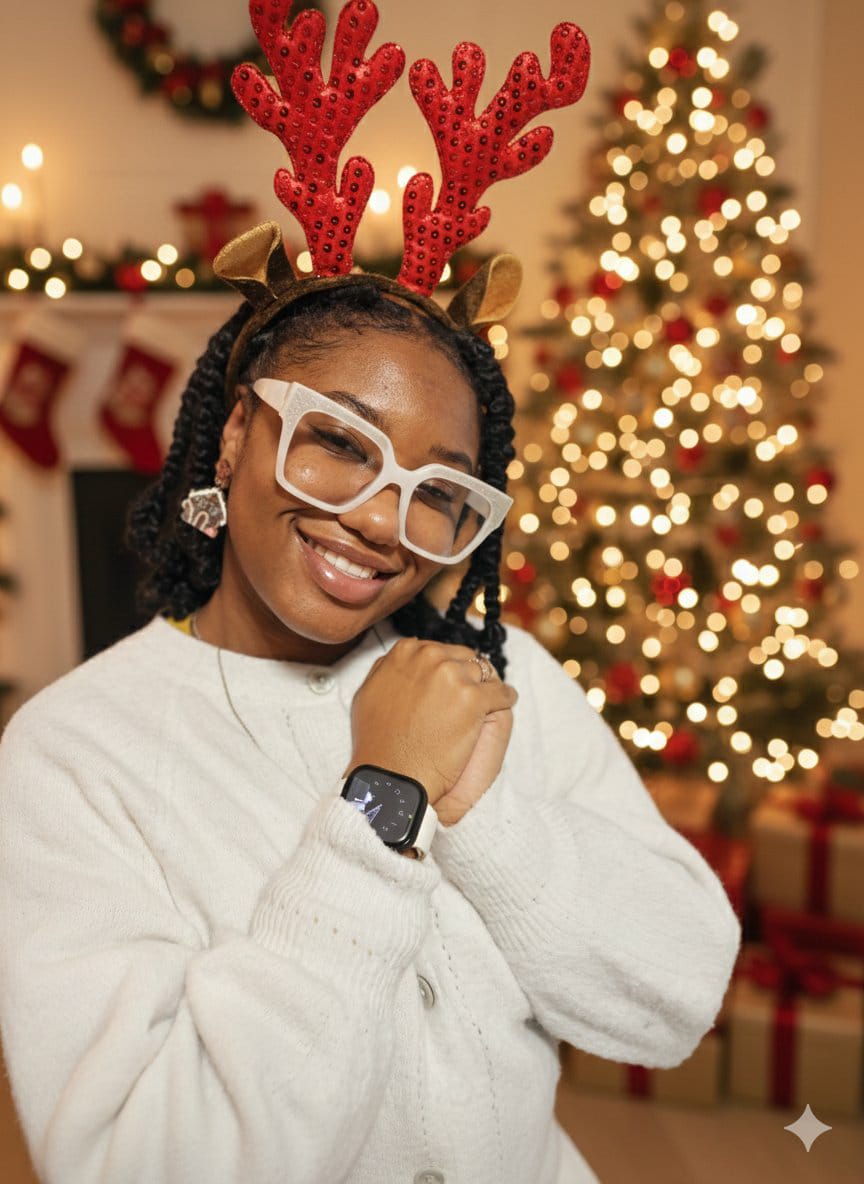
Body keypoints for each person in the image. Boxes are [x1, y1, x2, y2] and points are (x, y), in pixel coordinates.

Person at [0, 269, 742, 1184]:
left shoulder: (500, 679)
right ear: (236, 432)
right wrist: (384, 799)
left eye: (438, 492)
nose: (383, 520)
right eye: (342, 443)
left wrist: (480, 812)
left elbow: (679, 997)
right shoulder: (72, 753)